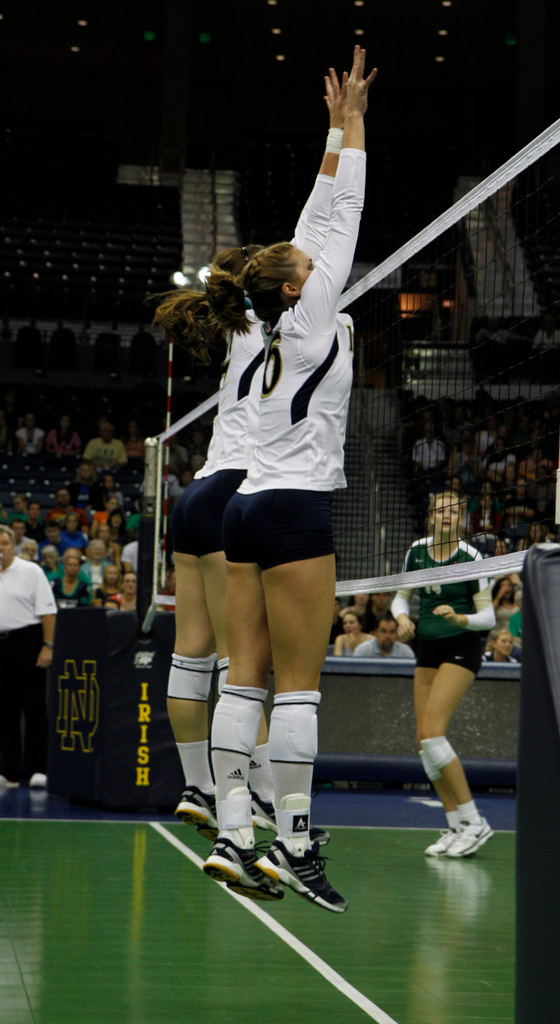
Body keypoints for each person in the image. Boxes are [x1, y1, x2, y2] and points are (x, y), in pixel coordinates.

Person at [158, 49, 374, 908]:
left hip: (241, 505)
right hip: (289, 506)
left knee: (239, 675)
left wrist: (335, 124)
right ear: (295, 282)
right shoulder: (314, 312)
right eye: (304, 260)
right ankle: (291, 842)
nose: (314, 257)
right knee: (299, 686)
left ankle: (237, 829)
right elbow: (341, 208)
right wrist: (354, 124)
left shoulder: (268, 311)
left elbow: (316, 218)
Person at [392, 489, 496, 858]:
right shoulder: (417, 550)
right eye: (441, 510)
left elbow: (490, 616)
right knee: (423, 742)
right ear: (431, 516)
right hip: (427, 647)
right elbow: (400, 596)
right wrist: (402, 617)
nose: (447, 515)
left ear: (462, 518)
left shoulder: (472, 557)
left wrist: (460, 617)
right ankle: (455, 827)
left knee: (434, 735)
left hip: (462, 645)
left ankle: (474, 820)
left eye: (454, 511)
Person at [0, 524, 57, 788]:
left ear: (13, 545)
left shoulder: (31, 571)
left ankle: (39, 768)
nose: (0, 548)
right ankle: (7, 770)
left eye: (4, 543)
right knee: (3, 709)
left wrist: (47, 645)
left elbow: (48, 611)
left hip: (28, 641)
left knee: (34, 707)